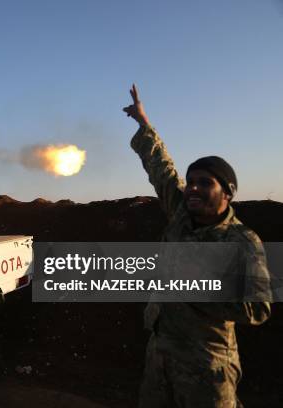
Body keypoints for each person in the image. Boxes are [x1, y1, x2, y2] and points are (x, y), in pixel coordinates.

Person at [123, 84, 271, 407]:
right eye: (191, 182)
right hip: (160, 358)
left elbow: (257, 307)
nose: (193, 189)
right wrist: (143, 124)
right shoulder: (180, 213)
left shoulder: (241, 241)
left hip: (206, 367)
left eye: (205, 183)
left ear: (227, 192)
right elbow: (162, 169)